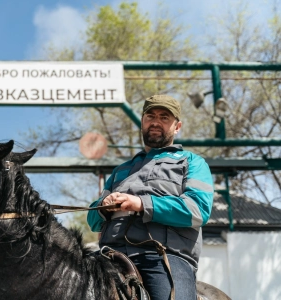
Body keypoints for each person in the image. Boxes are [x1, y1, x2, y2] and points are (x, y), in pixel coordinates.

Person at [87, 95, 214, 300]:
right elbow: (92, 221)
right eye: (150, 116)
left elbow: (197, 210)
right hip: (109, 256)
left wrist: (141, 204)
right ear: (143, 122)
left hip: (163, 257)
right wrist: (102, 207)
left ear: (177, 126)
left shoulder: (191, 163)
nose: (156, 122)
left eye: (164, 117)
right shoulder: (121, 170)